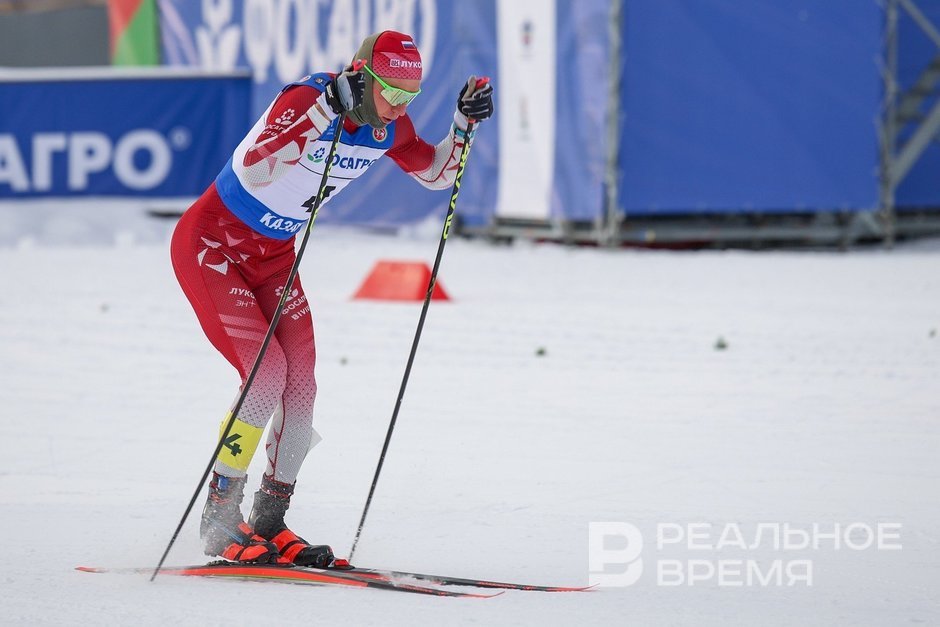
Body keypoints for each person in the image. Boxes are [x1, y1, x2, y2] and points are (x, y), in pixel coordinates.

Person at [169, 30, 494, 566]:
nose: (399, 106)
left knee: (302, 384)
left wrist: (463, 123)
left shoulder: (389, 126)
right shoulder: (306, 97)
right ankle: (219, 516)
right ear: (362, 76)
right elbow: (257, 168)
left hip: (274, 257)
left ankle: (270, 519)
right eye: (392, 91)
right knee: (265, 376)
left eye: (410, 96)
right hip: (212, 246)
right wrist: (324, 110)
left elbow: (437, 174)